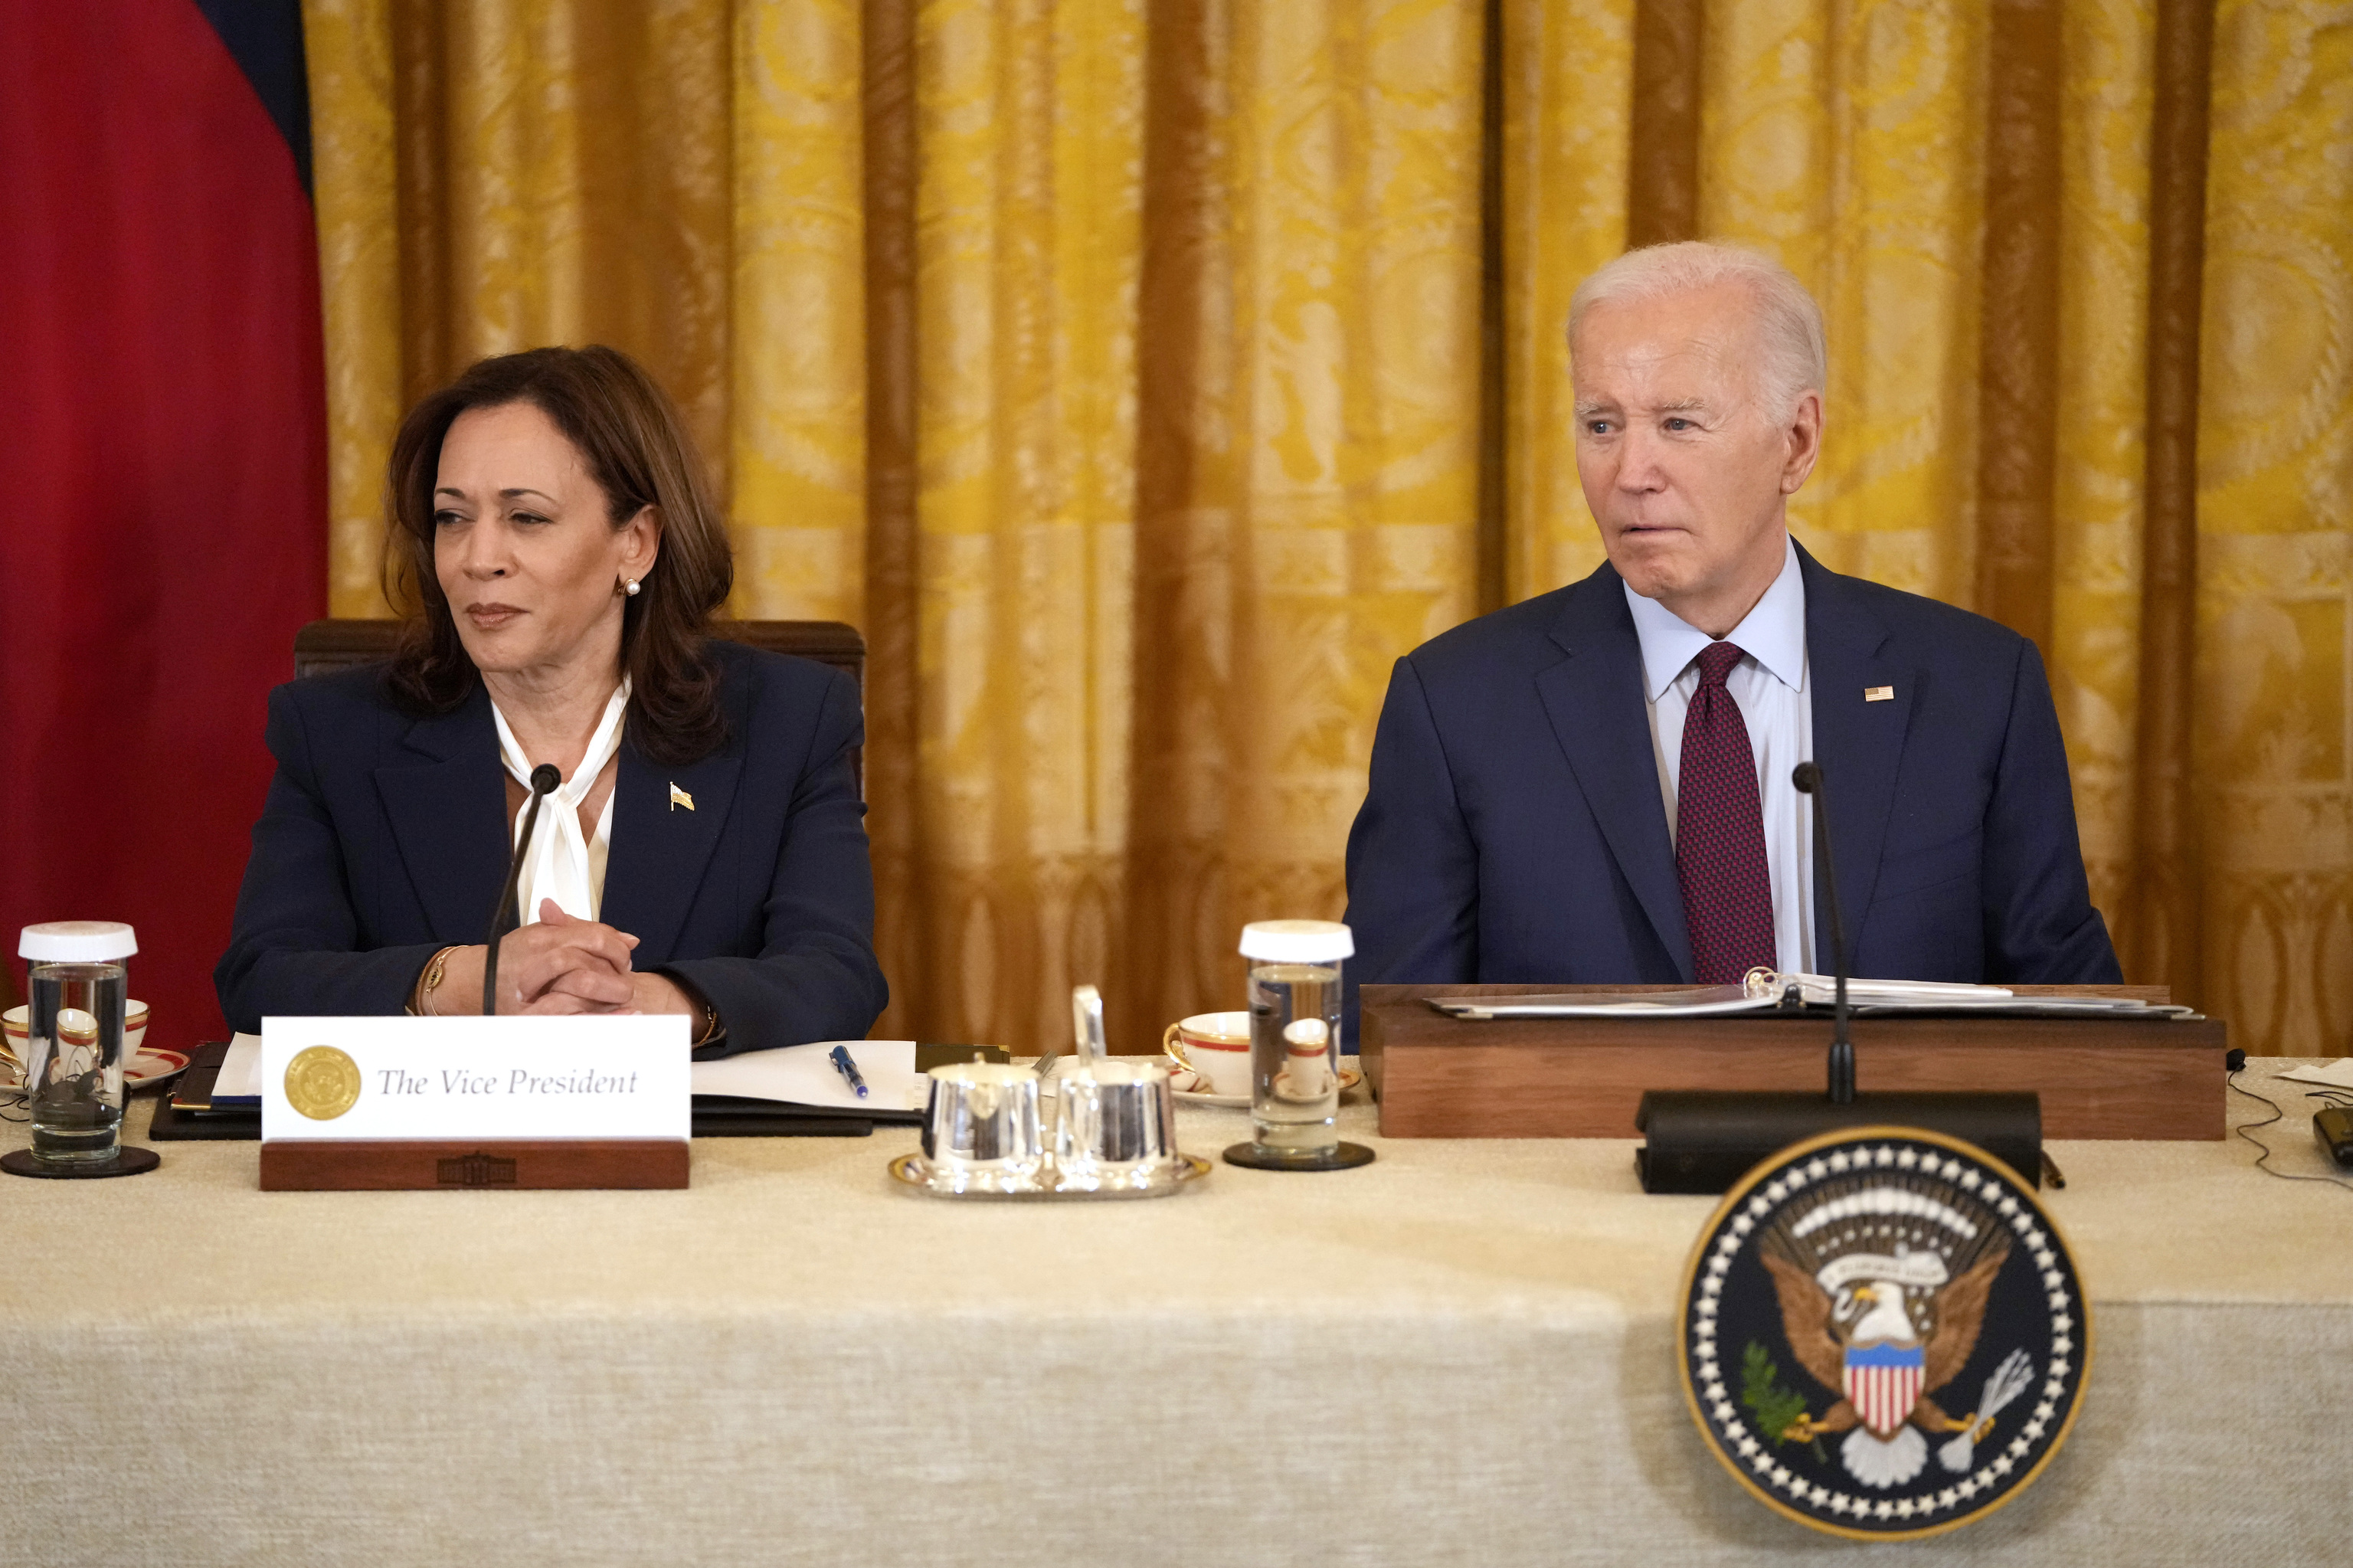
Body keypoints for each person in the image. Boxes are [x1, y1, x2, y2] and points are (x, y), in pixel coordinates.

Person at [1343, 242, 2121, 992]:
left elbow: (2076, 1020)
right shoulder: (1457, 704)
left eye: (1679, 423)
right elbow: (1386, 1036)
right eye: (1601, 425)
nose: (1631, 474)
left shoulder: (1976, 687)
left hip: (1876, 1129)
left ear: (1797, 442)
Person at [215, 345, 888, 1052]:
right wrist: (460, 983)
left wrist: (651, 1004)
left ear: (635, 543)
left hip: (707, 1157)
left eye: (526, 518)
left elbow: (836, 974)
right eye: (452, 518)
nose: (479, 558)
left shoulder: (788, 720)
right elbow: (264, 977)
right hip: (438, 1156)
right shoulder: (339, 733)